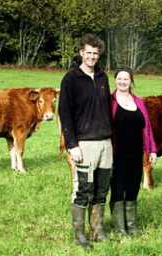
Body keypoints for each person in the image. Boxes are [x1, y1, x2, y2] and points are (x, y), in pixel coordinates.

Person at [58, 34, 113, 248]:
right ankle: (79, 234)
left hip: (105, 143)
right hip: (84, 144)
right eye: (88, 52)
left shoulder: (102, 76)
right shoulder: (70, 78)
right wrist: (72, 146)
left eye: (95, 53)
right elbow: (65, 113)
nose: (91, 56)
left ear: (99, 54)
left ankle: (98, 230)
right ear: (81, 52)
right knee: (83, 189)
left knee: (101, 189)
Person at [110, 67, 157, 236]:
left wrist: (152, 150)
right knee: (117, 189)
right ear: (115, 80)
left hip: (136, 153)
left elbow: (147, 127)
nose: (122, 82)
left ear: (131, 81)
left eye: (126, 79)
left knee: (133, 188)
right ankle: (119, 228)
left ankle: (131, 225)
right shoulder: (110, 101)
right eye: (119, 78)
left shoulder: (139, 102)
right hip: (117, 154)